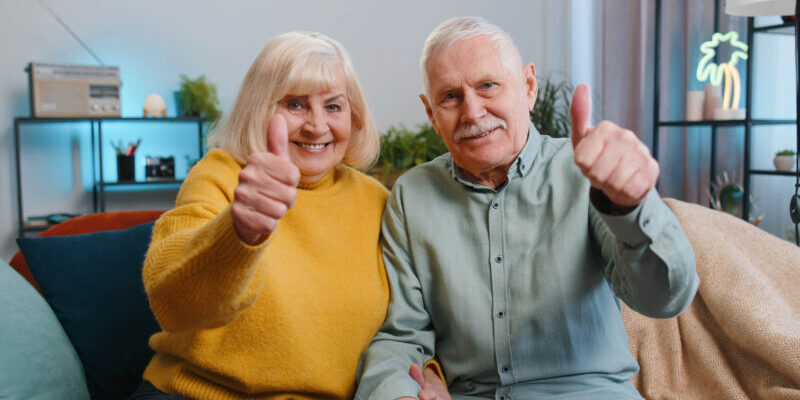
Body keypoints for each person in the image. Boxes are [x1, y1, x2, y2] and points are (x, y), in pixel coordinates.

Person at [355, 17, 700, 400]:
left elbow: (664, 297)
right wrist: (396, 391)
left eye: (488, 86)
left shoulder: (585, 172)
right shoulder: (411, 195)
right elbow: (401, 336)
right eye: (450, 97)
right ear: (431, 114)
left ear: (529, 86)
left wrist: (632, 208)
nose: (472, 112)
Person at [129, 31, 445, 399]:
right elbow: (172, 301)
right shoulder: (221, 175)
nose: (316, 125)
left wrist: (427, 371)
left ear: (354, 115)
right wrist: (238, 233)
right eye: (295, 105)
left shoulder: (376, 200)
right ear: (259, 108)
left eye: (333, 106)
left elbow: (415, 316)